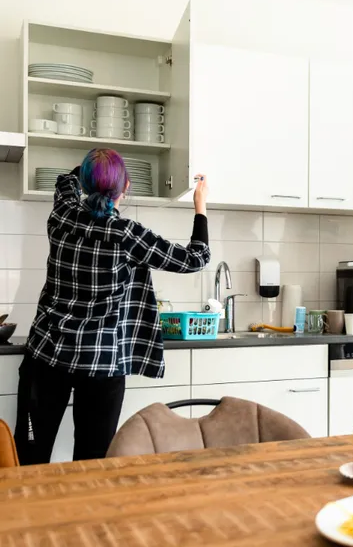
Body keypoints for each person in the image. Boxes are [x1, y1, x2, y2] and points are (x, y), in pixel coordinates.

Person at [14, 148, 211, 464]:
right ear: (126, 187)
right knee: (93, 463)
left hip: (46, 356)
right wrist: (200, 207)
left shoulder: (62, 214)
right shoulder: (128, 234)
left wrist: (97, 167)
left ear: (86, 183)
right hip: (102, 364)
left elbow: (65, 179)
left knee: (29, 458)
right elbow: (196, 258)